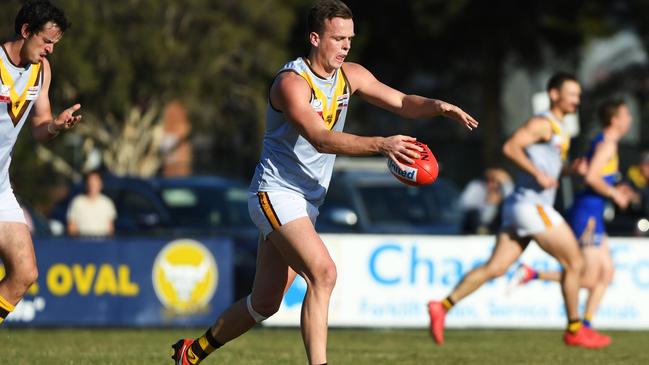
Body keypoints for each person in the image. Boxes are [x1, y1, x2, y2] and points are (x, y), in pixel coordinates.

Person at [171, 1, 478, 364]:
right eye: (338, 38)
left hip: (307, 201)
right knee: (324, 273)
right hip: (275, 193)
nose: (346, 46)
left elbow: (402, 101)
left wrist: (439, 106)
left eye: (349, 38)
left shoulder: (351, 75)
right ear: (315, 38)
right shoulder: (291, 84)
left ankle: (192, 352)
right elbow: (320, 137)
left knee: (265, 302)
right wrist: (382, 145)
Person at [427, 72, 611, 349]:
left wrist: (568, 170)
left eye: (578, 95)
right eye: (571, 93)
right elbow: (511, 147)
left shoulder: (560, 129)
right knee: (576, 263)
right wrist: (537, 173)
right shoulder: (542, 123)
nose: (577, 99)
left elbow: (549, 169)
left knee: (496, 267)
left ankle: (442, 305)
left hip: (520, 206)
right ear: (554, 94)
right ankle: (575, 329)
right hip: (531, 206)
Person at [512, 99, 636, 336]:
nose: (630, 119)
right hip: (587, 214)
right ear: (615, 119)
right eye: (626, 114)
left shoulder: (607, 142)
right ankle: (534, 276)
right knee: (588, 277)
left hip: (594, 214)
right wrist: (613, 194)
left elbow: (592, 174)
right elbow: (590, 177)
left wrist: (617, 189)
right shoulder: (607, 144)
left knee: (606, 274)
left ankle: (587, 325)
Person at [0, 0, 81, 325]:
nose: (49, 49)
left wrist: (55, 127)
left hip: (1, 188)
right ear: (25, 31)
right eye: (46, 41)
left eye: (54, 44)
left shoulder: (41, 71)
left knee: (25, 273)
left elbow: (39, 126)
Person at [459, 167, 513, 234]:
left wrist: (506, 184)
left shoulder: (504, 189)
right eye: (489, 180)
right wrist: (487, 203)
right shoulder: (476, 186)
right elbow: (464, 205)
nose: (492, 184)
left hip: (497, 230)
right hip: (474, 230)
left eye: (495, 181)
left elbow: (512, 203)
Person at [66, 171, 116, 237]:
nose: (92, 184)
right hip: (81, 243)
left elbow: (110, 228)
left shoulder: (107, 203)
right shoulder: (78, 202)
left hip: (102, 243)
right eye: (90, 182)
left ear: (100, 184)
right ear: (86, 184)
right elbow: (72, 227)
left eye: (95, 182)